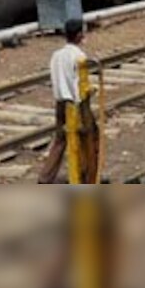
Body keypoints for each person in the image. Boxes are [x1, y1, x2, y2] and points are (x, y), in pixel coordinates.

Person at [38, 17, 99, 184]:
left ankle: (45, 178)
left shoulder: (56, 55)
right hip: (76, 104)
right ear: (79, 35)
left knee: (60, 140)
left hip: (60, 103)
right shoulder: (79, 56)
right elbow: (79, 83)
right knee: (91, 136)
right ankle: (89, 175)